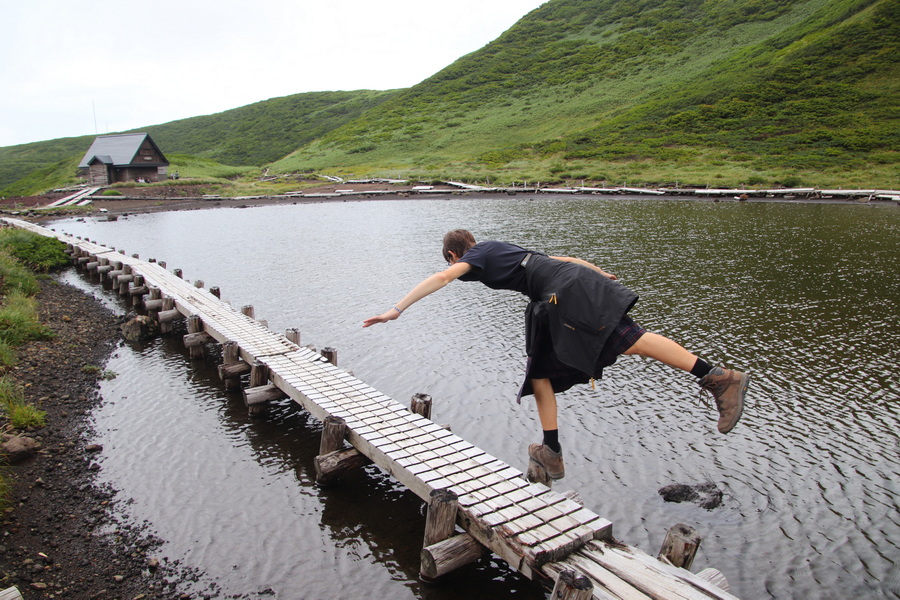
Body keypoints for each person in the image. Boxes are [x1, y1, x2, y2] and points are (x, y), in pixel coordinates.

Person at [363, 229, 749, 479]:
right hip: (556, 291)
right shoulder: (501, 247)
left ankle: (719, 377)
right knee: (540, 372)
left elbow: (443, 277)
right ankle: (551, 449)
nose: (458, 270)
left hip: (560, 292)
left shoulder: (474, 258)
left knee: (630, 340)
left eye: (454, 262)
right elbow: (561, 258)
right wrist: (597, 271)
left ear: (453, 253)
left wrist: (397, 309)